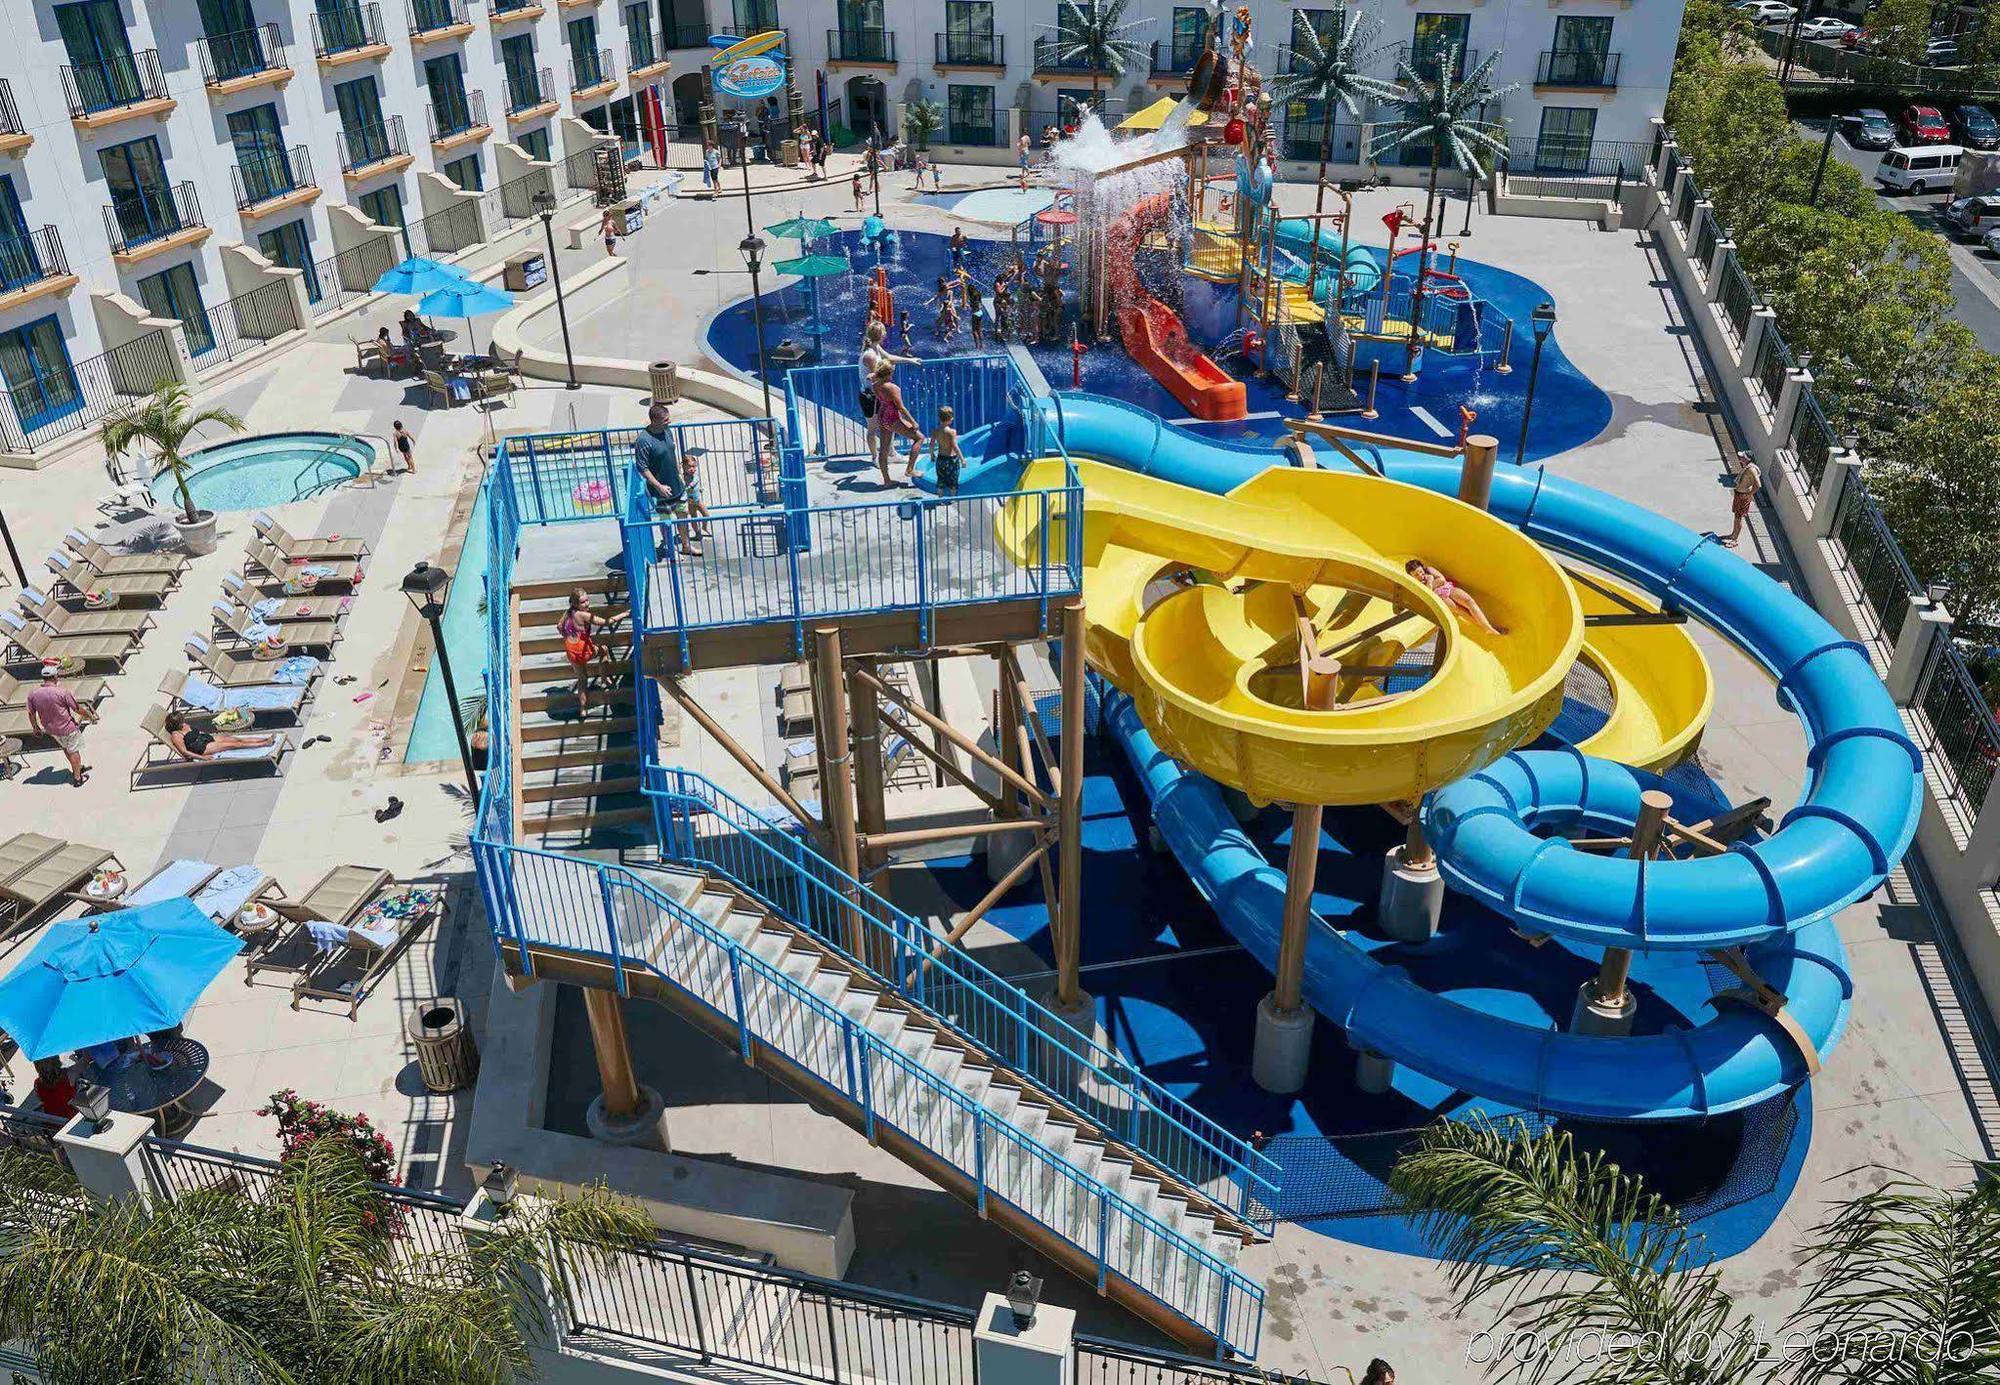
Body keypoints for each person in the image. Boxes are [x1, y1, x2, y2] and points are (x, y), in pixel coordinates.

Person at [635, 401, 700, 558]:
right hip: (661, 491)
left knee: (682, 516)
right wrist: (659, 487)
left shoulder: (667, 431)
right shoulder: (644, 440)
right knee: (666, 522)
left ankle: (685, 545)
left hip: (677, 485)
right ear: (654, 420)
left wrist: (679, 475)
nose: (669, 422)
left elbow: (671, 454)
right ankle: (671, 551)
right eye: (665, 420)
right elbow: (642, 468)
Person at [558, 588, 622, 714]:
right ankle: (604, 679)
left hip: (572, 652)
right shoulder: (583, 615)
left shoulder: (568, 613)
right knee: (603, 650)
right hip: (584, 651)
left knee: (582, 679)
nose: (587, 604)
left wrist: (569, 635)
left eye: (587, 600)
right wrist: (624, 614)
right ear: (576, 604)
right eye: (583, 602)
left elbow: (559, 626)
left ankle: (583, 709)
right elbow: (606, 622)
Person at [26, 666, 93, 787]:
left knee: (67, 748)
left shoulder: (33, 694)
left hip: (52, 730)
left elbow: (31, 713)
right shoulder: (62, 692)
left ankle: (77, 768)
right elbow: (76, 708)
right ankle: (78, 778)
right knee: (74, 751)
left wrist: (35, 727)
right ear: (55, 677)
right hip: (68, 728)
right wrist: (90, 716)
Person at [1406, 559, 1506, 636]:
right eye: (1416, 575)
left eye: (1420, 571)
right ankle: (1487, 628)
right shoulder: (1416, 584)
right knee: (1461, 611)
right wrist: (1430, 581)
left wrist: (1430, 585)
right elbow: (1427, 594)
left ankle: (1489, 627)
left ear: (1422, 567)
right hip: (1441, 598)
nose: (1420, 575)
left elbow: (1442, 580)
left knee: (1470, 601)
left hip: (1447, 589)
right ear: (1412, 576)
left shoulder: (1429, 570)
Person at [874, 362, 926, 484]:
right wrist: (913, 422)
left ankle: (887, 480)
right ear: (889, 373)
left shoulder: (876, 385)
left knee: (883, 450)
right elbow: (901, 407)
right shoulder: (893, 388)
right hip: (892, 418)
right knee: (919, 438)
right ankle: (910, 469)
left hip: (882, 417)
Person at [161, 710, 277, 762]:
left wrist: (209, 736)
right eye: (181, 719)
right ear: (177, 723)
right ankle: (265, 744)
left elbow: (197, 732)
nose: (184, 720)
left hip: (205, 738)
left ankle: (265, 739)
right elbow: (185, 752)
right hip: (201, 747)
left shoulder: (184, 725)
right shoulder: (176, 735)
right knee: (233, 745)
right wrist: (202, 758)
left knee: (235, 739)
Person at [1721, 451, 1761, 548]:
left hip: (1743, 496)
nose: (1741, 458)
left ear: (1748, 459)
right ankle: (1733, 534)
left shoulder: (1751, 470)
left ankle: (1735, 540)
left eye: (1743, 457)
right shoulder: (1747, 467)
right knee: (1736, 516)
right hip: (1739, 494)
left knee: (1739, 517)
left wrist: (1749, 494)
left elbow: (1758, 485)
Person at [929, 405, 964, 495]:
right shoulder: (952, 432)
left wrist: (932, 454)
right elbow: (955, 447)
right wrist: (962, 459)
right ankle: (952, 499)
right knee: (953, 480)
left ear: (939, 418)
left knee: (940, 480)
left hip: (940, 459)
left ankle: (940, 498)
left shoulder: (936, 431)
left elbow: (931, 444)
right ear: (950, 418)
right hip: (951, 459)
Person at [961, 274, 986, 347]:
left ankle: (977, 346)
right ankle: (982, 345)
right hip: (980, 312)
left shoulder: (972, 298)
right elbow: (978, 304)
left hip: (975, 314)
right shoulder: (978, 295)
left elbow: (965, 293)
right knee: (979, 330)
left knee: (974, 331)